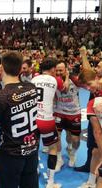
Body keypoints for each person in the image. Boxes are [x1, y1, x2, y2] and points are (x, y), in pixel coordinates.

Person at [0, 51, 40, 188]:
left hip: (10, 155)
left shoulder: (0, 96)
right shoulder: (32, 88)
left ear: (2, 68)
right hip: (32, 151)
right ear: (19, 69)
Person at [31, 58, 68, 188]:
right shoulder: (55, 80)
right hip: (47, 120)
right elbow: (64, 89)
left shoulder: (34, 78)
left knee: (34, 148)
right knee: (52, 148)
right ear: (53, 69)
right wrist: (66, 76)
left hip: (34, 119)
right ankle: (51, 181)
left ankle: (34, 171)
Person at [54, 61, 81, 171]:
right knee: (57, 137)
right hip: (59, 112)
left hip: (74, 113)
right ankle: (59, 159)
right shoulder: (53, 80)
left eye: (61, 70)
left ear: (66, 70)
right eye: (57, 70)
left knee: (74, 139)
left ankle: (72, 152)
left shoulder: (74, 80)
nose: (59, 72)